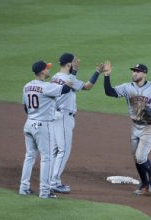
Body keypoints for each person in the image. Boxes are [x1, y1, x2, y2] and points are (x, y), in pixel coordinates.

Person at [104, 62, 151, 196]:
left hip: (149, 126)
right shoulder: (127, 87)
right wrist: (107, 76)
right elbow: (109, 92)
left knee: (140, 157)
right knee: (136, 158)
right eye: (133, 71)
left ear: (144, 74)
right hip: (135, 126)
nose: (134, 73)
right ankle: (144, 184)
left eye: (138, 71)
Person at [49, 53, 103, 194]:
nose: (76, 63)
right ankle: (54, 182)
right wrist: (97, 72)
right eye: (73, 62)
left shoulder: (55, 77)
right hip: (63, 118)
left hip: (55, 115)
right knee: (64, 150)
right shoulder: (68, 79)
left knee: (56, 150)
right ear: (68, 65)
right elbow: (87, 86)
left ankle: (51, 180)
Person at [19, 60, 74, 199]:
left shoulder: (26, 86)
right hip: (43, 126)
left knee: (29, 156)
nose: (49, 70)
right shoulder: (47, 87)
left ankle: (23, 188)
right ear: (42, 71)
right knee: (46, 158)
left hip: (29, 123)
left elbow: (25, 107)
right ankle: (44, 192)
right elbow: (65, 90)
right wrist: (71, 76)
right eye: (47, 69)